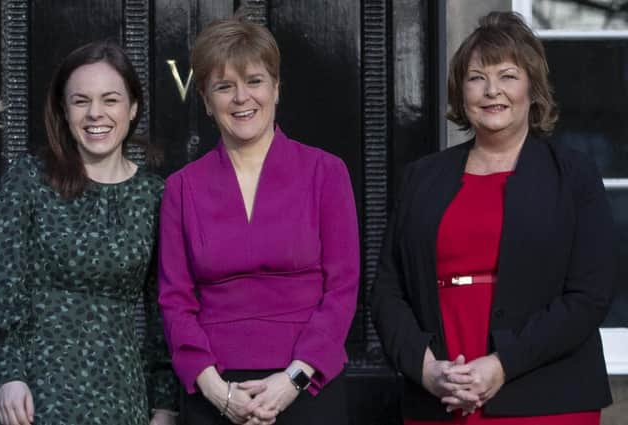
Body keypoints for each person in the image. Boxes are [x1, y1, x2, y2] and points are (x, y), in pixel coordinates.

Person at [371, 11, 614, 425]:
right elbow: (388, 293)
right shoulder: (421, 177)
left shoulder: (573, 175)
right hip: (439, 397)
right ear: (460, 92)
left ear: (532, 90)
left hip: (548, 396)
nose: (491, 91)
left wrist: (502, 364)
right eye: (476, 77)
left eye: (507, 76)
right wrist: (428, 371)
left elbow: (589, 295)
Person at [158, 13, 359, 425]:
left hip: (307, 386)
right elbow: (175, 300)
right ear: (205, 100)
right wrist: (215, 390)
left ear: (276, 88)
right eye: (224, 86)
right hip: (214, 393)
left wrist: (293, 380)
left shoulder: (326, 172)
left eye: (254, 81)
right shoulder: (182, 187)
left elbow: (342, 289)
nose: (241, 98)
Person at [0, 41, 177, 425]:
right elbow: (3, 284)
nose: (96, 113)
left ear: (133, 108)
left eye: (110, 100)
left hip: (122, 394)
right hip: (37, 394)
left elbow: (165, 309)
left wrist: (166, 404)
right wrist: (10, 375)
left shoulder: (154, 196)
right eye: (80, 101)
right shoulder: (29, 179)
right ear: (63, 110)